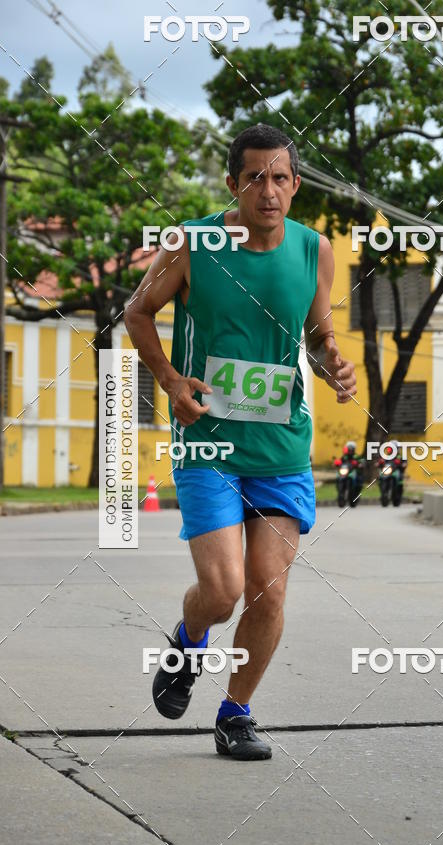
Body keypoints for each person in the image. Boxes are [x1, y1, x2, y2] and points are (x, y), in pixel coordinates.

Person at [125, 123, 357, 760]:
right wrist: (170, 380)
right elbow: (137, 312)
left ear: (296, 186)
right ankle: (189, 640)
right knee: (223, 591)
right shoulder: (192, 243)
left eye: (280, 178)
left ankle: (236, 714)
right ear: (233, 184)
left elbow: (317, 335)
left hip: (280, 448)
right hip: (209, 445)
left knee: (269, 590)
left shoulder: (315, 251)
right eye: (254, 177)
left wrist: (334, 361)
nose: (268, 190)